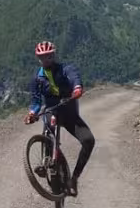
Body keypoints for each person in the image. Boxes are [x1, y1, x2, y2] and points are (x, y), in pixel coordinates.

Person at [23, 40, 95, 197]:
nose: (45, 60)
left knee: (88, 140)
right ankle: (46, 161)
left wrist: (77, 88)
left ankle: (74, 178)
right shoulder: (37, 79)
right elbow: (36, 101)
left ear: (53, 55)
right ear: (38, 58)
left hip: (69, 112)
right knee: (49, 129)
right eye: (42, 58)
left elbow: (74, 77)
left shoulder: (66, 69)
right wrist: (32, 113)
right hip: (51, 111)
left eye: (48, 56)